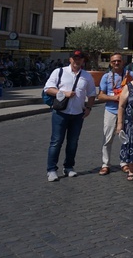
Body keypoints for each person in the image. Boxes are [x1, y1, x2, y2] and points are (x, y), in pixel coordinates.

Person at [44, 50, 96, 182]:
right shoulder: (59, 72)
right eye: (74, 58)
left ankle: (69, 167)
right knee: (56, 142)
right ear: (70, 59)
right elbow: (48, 88)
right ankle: (51, 169)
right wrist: (63, 93)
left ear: (83, 61)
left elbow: (91, 93)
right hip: (60, 113)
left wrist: (89, 107)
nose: (76, 61)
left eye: (79, 58)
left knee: (73, 142)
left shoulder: (87, 76)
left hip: (78, 114)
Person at [97, 53, 127, 175]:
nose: (116, 63)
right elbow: (100, 95)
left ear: (122, 62)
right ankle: (105, 164)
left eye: (118, 61)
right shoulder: (106, 77)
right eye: (114, 61)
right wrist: (114, 98)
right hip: (111, 110)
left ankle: (124, 162)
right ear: (110, 63)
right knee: (107, 138)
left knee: (125, 138)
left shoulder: (129, 75)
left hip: (125, 110)